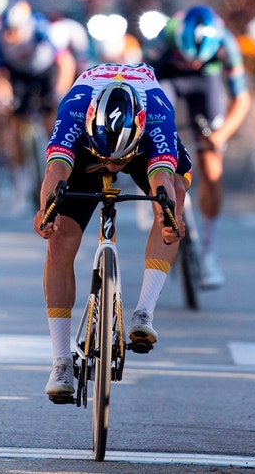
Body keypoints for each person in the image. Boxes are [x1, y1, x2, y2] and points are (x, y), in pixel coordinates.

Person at [33, 62, 191, 403]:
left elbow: (161, 180)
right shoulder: (74, 108)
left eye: (120, 161)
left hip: (143, 143)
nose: (114, 167)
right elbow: (57, 169)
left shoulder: (159, 112)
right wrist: (46, 212)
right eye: (110, 160)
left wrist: (168, 219)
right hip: (87, 148)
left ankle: (144, 312)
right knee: (59, 237)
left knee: (174, 196)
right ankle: (61, 361)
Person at [143, 5, 251, 288]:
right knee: (159, 135)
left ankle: (208, 252)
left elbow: (242, 100)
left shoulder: (226, 42)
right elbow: (141, 87)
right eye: (187, 58)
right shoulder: (162, 38)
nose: (191, 63)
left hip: (206, 84)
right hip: (167, 78)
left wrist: (220, 136)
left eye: (197, 60)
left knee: (212, 165)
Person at [0, 0, 76, 213]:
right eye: (7, 31)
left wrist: (60, 92)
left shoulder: (42, 32)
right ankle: (22, 184)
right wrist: (3, 95)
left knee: (54, 119)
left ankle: (61, 165)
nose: (11, 36)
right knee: (15, 125)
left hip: (46, 74)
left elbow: (65, 62)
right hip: (20, 78)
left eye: (15, 31)